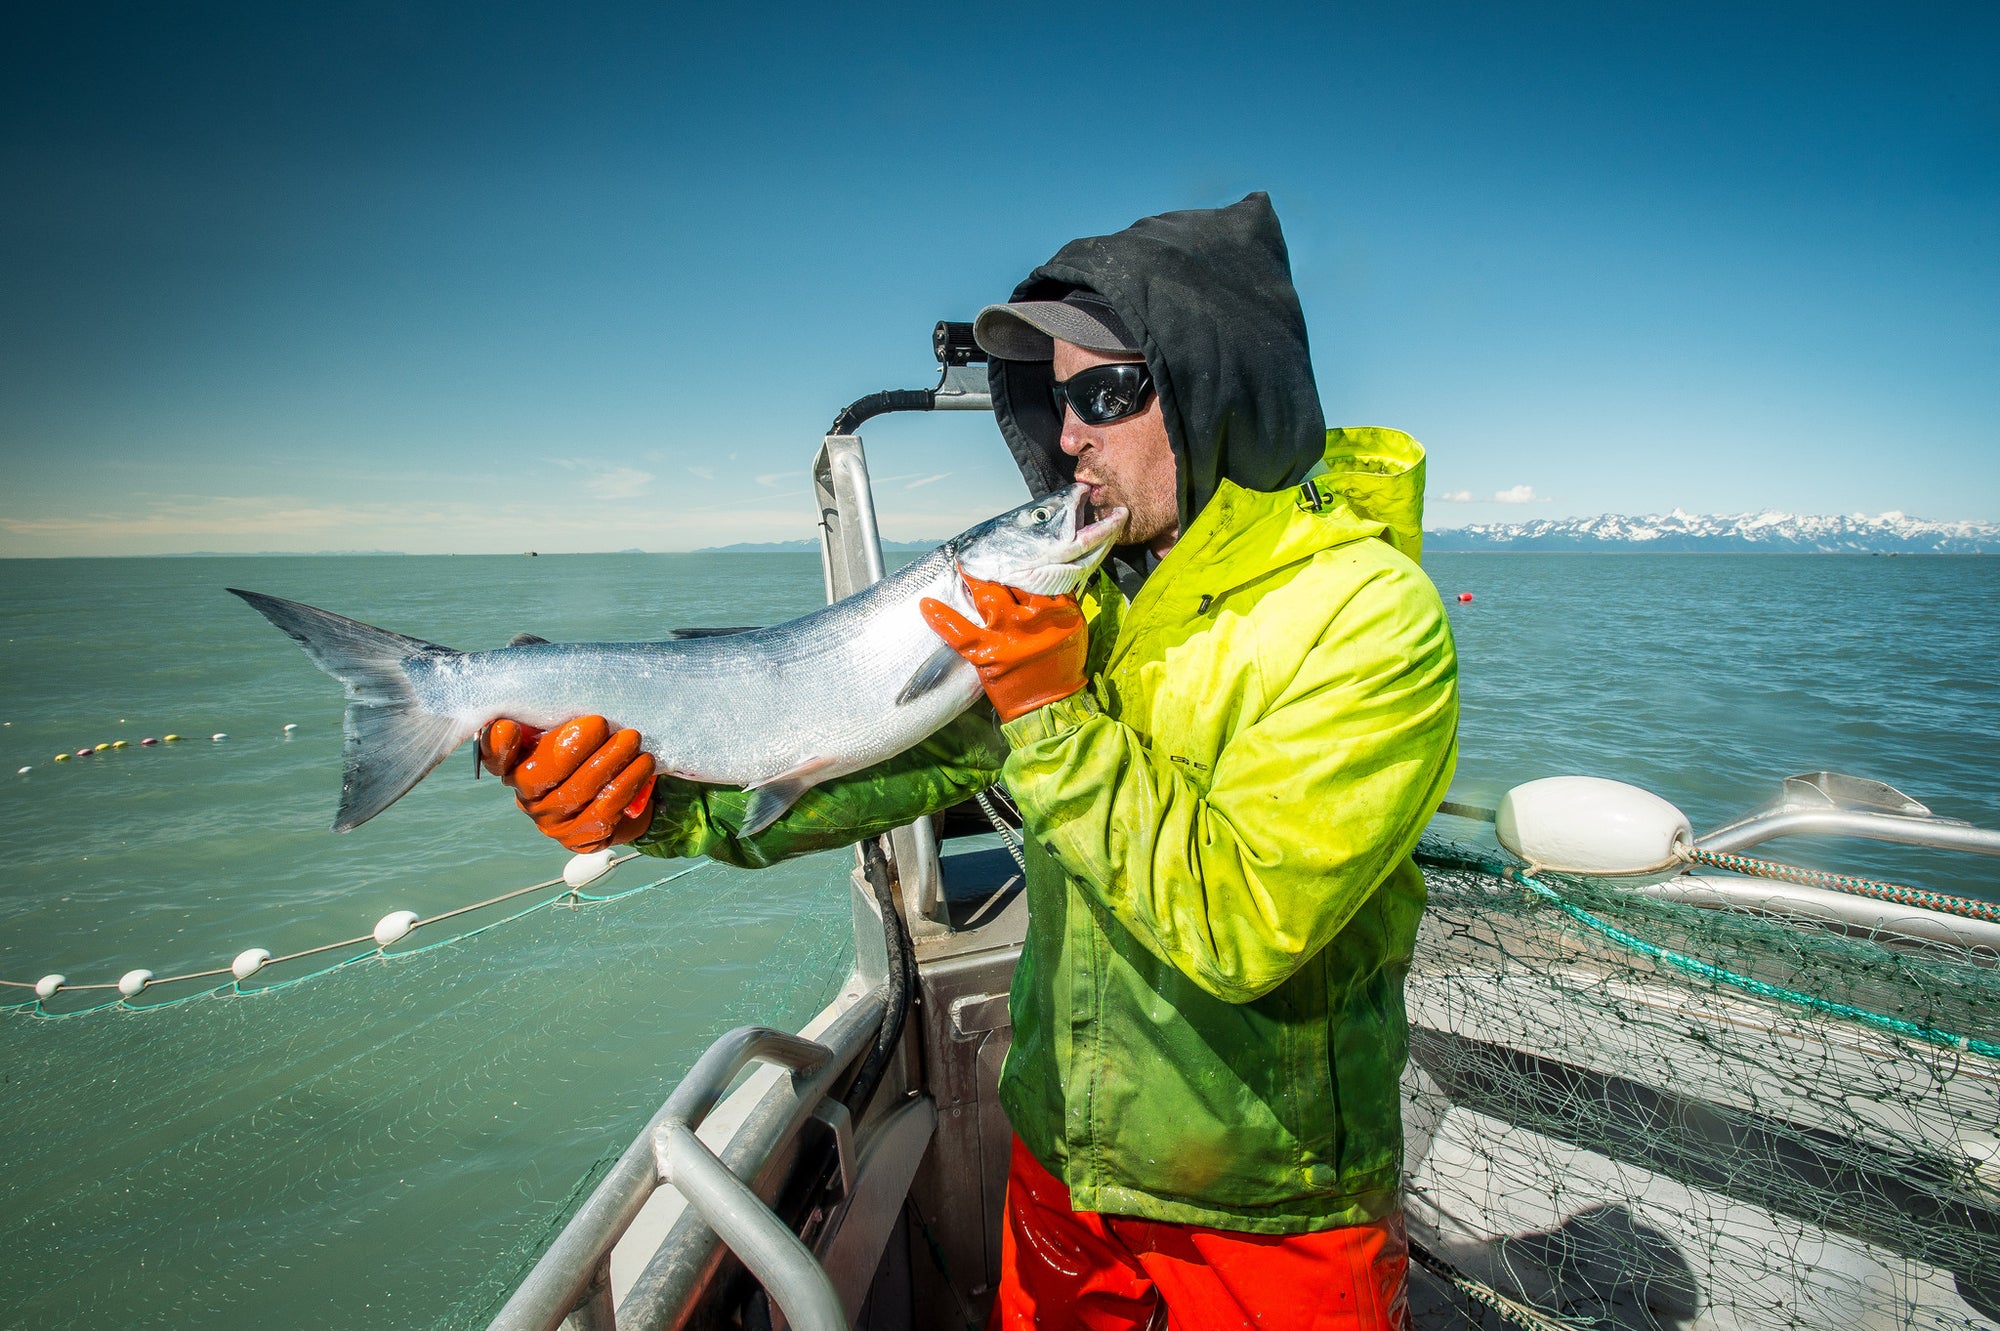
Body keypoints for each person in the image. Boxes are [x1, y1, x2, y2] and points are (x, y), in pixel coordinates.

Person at [480, 193, 1458, 1330]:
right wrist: (646, 803)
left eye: (1103, 392)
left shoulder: (1368, 616)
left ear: (1213, 384)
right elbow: (861, 767)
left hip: (1268, 1205)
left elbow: (1243, 920)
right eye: (1054, 399)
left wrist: (1047, 710)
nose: (1068, 435)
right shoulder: (1078, 596)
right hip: (1060, 1160)